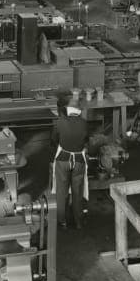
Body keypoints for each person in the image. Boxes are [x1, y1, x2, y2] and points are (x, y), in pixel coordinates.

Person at [50, 92, 90, 229]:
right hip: (79, 161)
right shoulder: (84, 123)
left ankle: (62, 222)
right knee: (78, 192)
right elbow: (86, 141)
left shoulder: (59, 123)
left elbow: (53, 140)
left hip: (63, 160)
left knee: (62, 192)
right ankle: (78, 222)